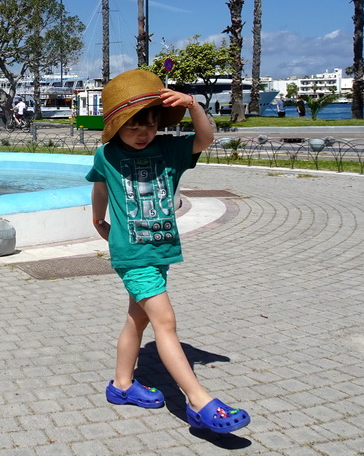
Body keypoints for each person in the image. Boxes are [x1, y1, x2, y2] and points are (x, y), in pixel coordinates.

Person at [87, 69, 250, 435]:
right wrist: (98, 219)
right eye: (132, 126)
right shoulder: (107, 154)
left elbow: (204, 138)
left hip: (159, 253)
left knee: (138, 319)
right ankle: (198, 400)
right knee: (165, 322)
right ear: (116, 126)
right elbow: (99, 186)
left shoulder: (169, 150)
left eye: (149, 124)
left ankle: (122, 385)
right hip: (131, 254)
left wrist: (192, 105)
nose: (142, 133)